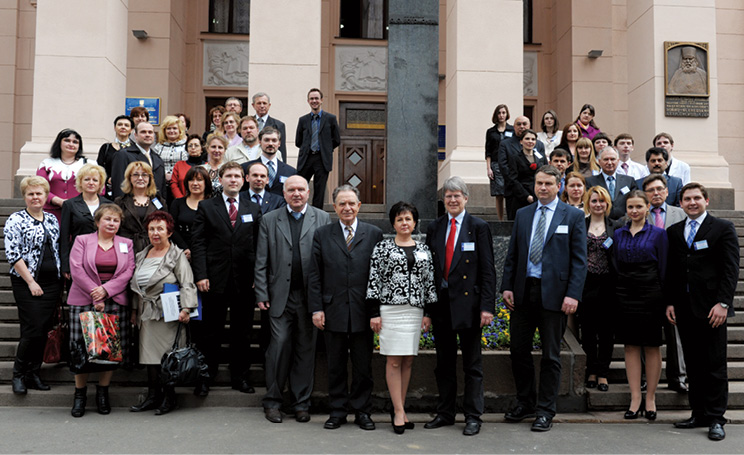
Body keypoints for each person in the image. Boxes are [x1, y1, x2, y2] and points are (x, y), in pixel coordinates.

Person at [501, 166, 587, 432]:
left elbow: (579, 261)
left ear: (558, 185)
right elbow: (513, 255)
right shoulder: (523, 214)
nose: (542, 188)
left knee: (551, 355)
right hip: (524, 292)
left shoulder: (572, 216)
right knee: (518, 351)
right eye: (539, 183)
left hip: (556, 296)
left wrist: (573, 294)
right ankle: (525, 402)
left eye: (548, 183)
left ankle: (545, 410)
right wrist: (507, 286)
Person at [255, 175, 331, 424]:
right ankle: (273, 402)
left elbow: (325, 261)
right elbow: (262, 260)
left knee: (305, 350)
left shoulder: (322, 218)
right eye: (291, 190)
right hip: (280, 296)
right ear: (284, 193)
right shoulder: (269, 219)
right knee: (279, 346)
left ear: (308, 192)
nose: (296, 193)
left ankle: (301, 403)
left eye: (301, 189)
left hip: (310, 297)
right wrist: (262, 293)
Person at [666, 183, 739, 441]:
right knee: (694, 365)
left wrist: (723, 303)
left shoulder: (722, 228)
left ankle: (717, 417)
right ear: (681, 203)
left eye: (697, 198)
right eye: (687, 199)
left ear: (706, 200)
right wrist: (671, 302)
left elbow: (730, 270)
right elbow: (673, 272)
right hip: (685, 309)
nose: (692, 202)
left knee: (715, 366)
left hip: (712, 309)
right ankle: (698, 414)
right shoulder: (675, 231)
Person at [424, 176, 496, 436]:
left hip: (470, 305)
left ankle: (473, 415)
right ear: (443, 200)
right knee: (443, 364)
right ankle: (445, 413)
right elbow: (430, 270)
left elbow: (488, 270)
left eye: (457, 195)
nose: (452, 200)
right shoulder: (435, 227)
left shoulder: (478, 227)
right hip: (442, 305)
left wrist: (487, 307)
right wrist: (427, 310)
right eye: (448, 196)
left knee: (472, 364)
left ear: (466, 198)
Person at [308, 185, 384, 431]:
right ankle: (338, 411)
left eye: (351, 203)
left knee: (363, 366)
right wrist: (317, 309)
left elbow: (380, 276)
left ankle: (363, 411)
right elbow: (315, 275)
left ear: (359, 205)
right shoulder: (322, 234)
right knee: (336, 365)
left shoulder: (374, 234)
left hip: (364, 312)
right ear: (335, 207)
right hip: (333, 310)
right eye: (342, 204)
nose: (347, 208)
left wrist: (377, 312)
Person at [191, 161, 262, 397]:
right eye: (229, 176)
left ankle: (239, 377)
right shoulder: (206, 207)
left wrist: (257, 277)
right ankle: (205, 377)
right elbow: (198, 243)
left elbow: (258, 245)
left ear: (244, 181)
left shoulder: (253, 208)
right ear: (220, 179)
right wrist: (200, 274)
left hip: (244, 280)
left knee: (242, 333)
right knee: (210, 332)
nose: (233, 180)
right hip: (213, 279)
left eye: (237, 176)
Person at [367, 201, 436, 434]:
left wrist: (428, 313)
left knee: (408, 360)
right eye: (400, 219)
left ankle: (401, 408)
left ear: (415, 222)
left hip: (414, 310)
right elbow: (373, 281)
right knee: (394, 360)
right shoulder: (382, 248)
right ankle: (397, 412)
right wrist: (374, 313)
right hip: (390, 310)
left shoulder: (424, 249)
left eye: (408, 219)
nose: (404, 223)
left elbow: (430, 283)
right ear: (393, 223)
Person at [67, 204, 135, 417]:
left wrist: (105, 291)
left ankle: (102, 393)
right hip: (83, 298)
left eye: (116, 220)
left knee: (109, 351)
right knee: (81, 349)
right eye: (107, 219)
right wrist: (94, 293)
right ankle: (80, 395)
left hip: (114, 299)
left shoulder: (127, 243)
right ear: (97, 222)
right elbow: (76, 268)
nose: (112, 223)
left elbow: (128, 271)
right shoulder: (82, 240)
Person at [129, 211, 197, 415]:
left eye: (160, 228)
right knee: (150, 357)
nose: (155, 233)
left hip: (169, 314)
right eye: (151, 229)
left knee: (168, 358)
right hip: (146, 314)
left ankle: (169, 397)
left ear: (169, 231)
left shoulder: (177, 255)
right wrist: (134, 310)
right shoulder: (142, 254)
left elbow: (187, 283)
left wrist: (187, 308)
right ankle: (152, 396)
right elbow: (136, 287)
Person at [5, 177, 63, 395]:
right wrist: (31, 282)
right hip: (26, 282)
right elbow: (13, 254)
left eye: (39, 193)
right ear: (25, 197)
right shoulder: (16, 219)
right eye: (31, 194)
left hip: (52, 283)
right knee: (32, 330)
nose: (35, 197)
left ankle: (34, 373)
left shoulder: (51, 219)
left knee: (44, 329)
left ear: (46, 195)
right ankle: (18, 374)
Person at [613, 190, 667, 421]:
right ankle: (635, 397)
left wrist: (666, 300)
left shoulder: (658, 234)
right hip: (625, 293)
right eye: (630, 207)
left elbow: (664, 268)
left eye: (638, 207)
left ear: (647, 208)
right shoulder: (618, 234)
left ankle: (650, 398)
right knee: (630, 346)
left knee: (652, 346)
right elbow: (614, 264)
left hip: (651, 293)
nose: (634, 211)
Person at [642, 174, 687, 393]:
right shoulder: (638, 214)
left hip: (674, 281)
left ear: (667, 191)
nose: (656, 193)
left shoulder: (681, 214)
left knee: (675, 332)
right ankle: (644, 376)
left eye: (659, 189)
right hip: (647, 282)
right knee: (645, 333)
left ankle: (678, 376)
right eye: (651, 190)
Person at [580, 186, 618, 393]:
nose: (598, 204)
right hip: (586, 284)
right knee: (587, 331)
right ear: (588, 203)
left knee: (606, 333)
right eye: (594, 201)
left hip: (608, 285)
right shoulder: (581, 225)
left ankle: (603, 372)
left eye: (602, 201)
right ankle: (591, 371)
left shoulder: (615, 227)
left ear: (607, 203)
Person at [60, 164, 112, 279]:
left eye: (95, 180)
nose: (91, 182)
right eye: (87, 179)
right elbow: (64, 237)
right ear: (80, 182)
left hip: (104, 257)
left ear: (100, 184)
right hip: (78, 257)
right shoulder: (69, 205)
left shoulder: (109, 205)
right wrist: (65, 265)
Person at [296, 88, 341, 209]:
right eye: (312, 98)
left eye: (316, 98)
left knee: (319, 189)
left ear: (321, 100)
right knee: (300, 186)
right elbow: (298, 141)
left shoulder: (330, 118)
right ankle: (299, 209)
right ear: (308, 101)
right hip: (306, 158)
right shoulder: (303, 120)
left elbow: (336, 139)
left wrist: (325, 148)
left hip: (322, 159)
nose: (314, 101)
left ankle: (316, 215)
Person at [498, 117, 547, 220]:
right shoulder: (506, 145)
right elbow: (506, 169)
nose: (522, 126)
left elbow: (545, 169)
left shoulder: (539, 146)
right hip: (516, 193)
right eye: (519, 124)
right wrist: (525, 195)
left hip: (536, 193)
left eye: (524, 124)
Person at [115, 161, 167, 253]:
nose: (140, 178)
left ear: (150, 179)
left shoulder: (159, 201)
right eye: (135, 175)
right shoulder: (120, 202)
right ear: (129, 178)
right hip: (126, 248)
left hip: (153, 248)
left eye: (144, 175)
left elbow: (166, 226)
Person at [36, 128, 87, 221]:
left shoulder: (88, 165)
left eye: (75, 142)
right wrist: (58, 201)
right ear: (59, 143)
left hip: (80, 213)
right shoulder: (46, 164)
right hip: (51, 212)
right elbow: (39, 187)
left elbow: (100, 189)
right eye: (67, 140)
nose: (71, 144)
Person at [112, 122, 166, 198]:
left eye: (150, 132)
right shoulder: (123, 155)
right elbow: (119, 185)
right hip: (131, 205)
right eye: (143, 132)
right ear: (135, 135)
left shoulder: (157, 158)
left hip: (154, 206)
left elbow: (162, 189)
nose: (147, 135)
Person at [170, 166, 213, 258]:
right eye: (191, 180)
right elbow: (172, 228)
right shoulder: (177, 203)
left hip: (208, 253)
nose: (195, 183)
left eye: (199, 180)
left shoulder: (213, 204)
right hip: (182, 253)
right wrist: (184, 248)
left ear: (206, 183)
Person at [586, 146, 638, 220]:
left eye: (612, 159)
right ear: (599, 161)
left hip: (625, 222)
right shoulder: (590, 182)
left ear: (618, 161)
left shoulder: (629, 181)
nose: (609, 162)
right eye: (606, 159)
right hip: (601, 223)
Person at [243, 127, 296, 197]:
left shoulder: (290, 172)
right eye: (266, 140)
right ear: (260, 142)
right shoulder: (246, 168)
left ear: (279, 143)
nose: (270, 144)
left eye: (274, 140)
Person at [484, 104, 514, 221]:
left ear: (507, 114)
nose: (501, 115)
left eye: (503, 113)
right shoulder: (491, 132)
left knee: (510, 192)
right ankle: (500, 220)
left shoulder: (512, 130)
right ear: (496, 115)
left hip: (510, 164)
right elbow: (488, 151)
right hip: (496, 164)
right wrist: (488, 168)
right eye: (499, 113)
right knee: (499, 194)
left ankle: (510, 219)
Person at [97, 115, 133, 197]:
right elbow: (99, 168)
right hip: (109, 190)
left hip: (130, 190)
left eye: (126, 125)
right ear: (114, 128)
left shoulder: (134, 149)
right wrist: (108, 179)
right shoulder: (106, 148)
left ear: (131, 130)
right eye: (120, 124)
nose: (123, 127)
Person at [152, 115, 187, 195]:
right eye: (168, 128)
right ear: (164, 131)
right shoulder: (158, 147)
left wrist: (174, 176)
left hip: (180, 185)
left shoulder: (186, 146)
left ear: (180, 130)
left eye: (174, 128)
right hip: (161, 185)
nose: (172, 131)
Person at [252, 92, 288, 162]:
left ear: (269, 105)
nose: (262, 106)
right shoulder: (247, 124)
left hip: (270, 160)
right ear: (253, 105)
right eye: (259, 103)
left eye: (264, 103)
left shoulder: (279, 125)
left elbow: (282, 149)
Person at [170, 134, 206, 200]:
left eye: (196, 145)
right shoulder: (179, 165)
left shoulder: (207, 166)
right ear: (187, 149)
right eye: (190, 146)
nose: (193, 148)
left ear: (202, 149)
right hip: (181, 201)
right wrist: (182, 200)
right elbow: (174, 184)